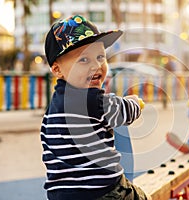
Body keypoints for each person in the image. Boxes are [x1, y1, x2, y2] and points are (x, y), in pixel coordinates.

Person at [41, 14, 150, 200]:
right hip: (103, 192)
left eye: (100, 56)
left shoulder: (52, 109)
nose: (97, 65)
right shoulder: (92, 101)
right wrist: (135, 103)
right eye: (84, 60)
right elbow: (124, 111)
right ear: (57, 69)